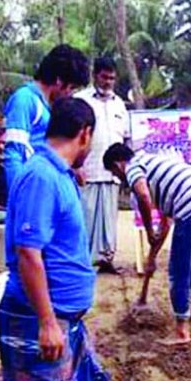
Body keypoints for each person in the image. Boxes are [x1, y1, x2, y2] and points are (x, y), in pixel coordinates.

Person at [0, 97, 113, 381]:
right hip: (40, 317)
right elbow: (28, 254)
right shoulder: (41, 177)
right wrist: (47, 321)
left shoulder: (59, 175)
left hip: (68, 317)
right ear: (84, 134)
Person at [104, 143, 191, 346]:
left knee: (179, 269)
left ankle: (181, 332)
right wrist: (151, 258)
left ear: (118, 164)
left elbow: (143, 195)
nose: (119, 179)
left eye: (115, 173)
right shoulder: (154, 164)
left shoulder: (133, 166)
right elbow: (166, 223)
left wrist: (149, 231)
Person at [3, 44, 90, 190]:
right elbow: (14, 153)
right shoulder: (25, 100)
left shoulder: (49, 108)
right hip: (31, 190)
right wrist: (19, 199)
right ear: (59, 80)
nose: (71, 94)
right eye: (71, 88)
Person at [75, 56, 129, 274]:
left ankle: (107, 258)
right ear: (95, 75)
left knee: (109, 217)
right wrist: (75, 166)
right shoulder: (81, 100)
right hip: (88, 167)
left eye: (112, 78)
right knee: (86, 216)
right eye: (105, 77)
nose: (108, 82)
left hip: (113, 171)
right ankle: (83, 262)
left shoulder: (119, 104)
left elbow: (126, 136)